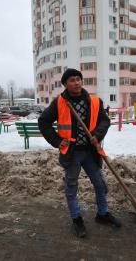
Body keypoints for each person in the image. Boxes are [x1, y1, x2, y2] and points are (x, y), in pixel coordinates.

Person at [38, 68, 121, 238]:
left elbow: (104, 121)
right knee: (71, 188)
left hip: (91, 152)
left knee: (101, 185)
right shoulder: (59, 102)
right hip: (72, 153)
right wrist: (56, 140)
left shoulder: (95, 101)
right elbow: (43, 121)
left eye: (78, 79)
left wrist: (97, 134)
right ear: (66, 84)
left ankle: (102, 214)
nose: (76, 82)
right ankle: (77, 219)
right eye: (72, 80)